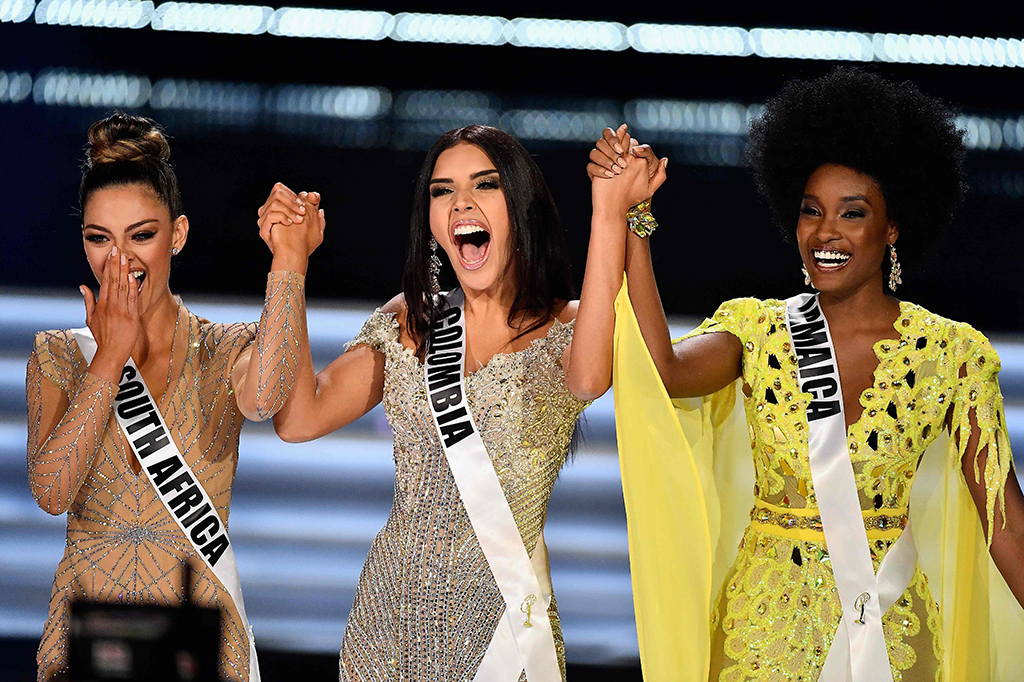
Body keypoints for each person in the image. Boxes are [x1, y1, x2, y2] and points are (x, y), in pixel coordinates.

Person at [576, 68, 1024, 681]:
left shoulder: (952, 355)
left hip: (889, 633)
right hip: (760, 638)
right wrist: (635, 220)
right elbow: (665, 371)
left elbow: (1008, 530)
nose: (826, 233)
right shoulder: (756, 331)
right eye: (812, 211)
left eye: (853, 213)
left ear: (893, 227)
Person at [252, 124, 613, 681]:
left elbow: (590, 380)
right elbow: (298, 419)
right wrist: (289, 263)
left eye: (484, 185)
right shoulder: (413, 320)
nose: (460, 202)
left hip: (502, 635)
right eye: (442, 191)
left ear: (521, 205)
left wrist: (611, 210)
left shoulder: (566, 328)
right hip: (385, 631)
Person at [27, 112, 308, 681]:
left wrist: (289, 261)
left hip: (201, 646)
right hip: (86, 646)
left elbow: (270, 395)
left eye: (142, 235)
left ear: (177, 235)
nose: (120, 261)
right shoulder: (59, 355)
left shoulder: (225, 349)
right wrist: (110, 358)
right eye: (99, 238)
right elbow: (52, 491)